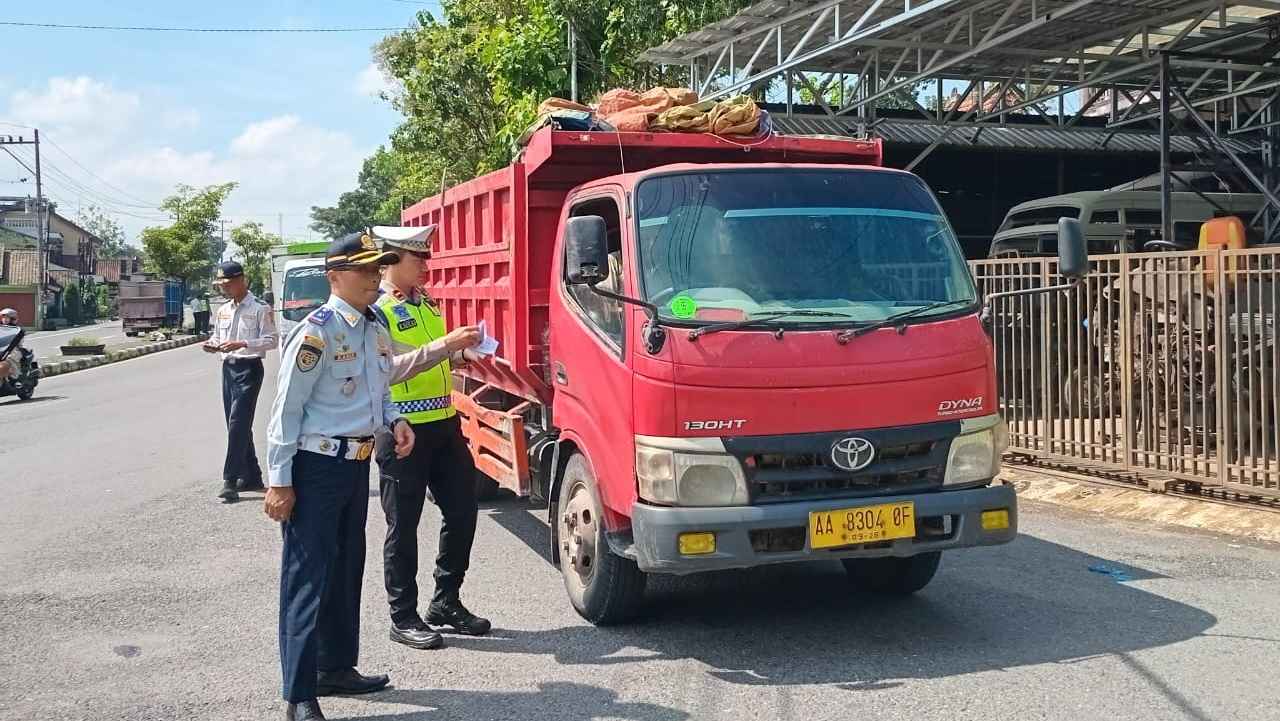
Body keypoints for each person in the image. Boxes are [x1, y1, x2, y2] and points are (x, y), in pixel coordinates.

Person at [265, 232, 415, 721]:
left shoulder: (373, 325)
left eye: (378, 269)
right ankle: (300, 693)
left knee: (347, 568)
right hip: (316, 468)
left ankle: (336, 667)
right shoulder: (317, 331)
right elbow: (286, 409)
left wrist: (395, 419)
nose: (375, 277)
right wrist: (279, 479)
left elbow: (380, 383)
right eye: (365, 270)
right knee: (307, 577)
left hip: (356, 465)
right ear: (334, 277)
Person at [368, 224, 491, 650]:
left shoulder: (427, 303)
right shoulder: (378, 311)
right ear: (392, 260)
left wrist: (465, 351)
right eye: (418, 258)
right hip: (402, 429)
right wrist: (445, 346)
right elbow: (393, 368)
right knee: (402, 525)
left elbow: (435, 355)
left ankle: (446, 600)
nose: (426, 266)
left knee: (462, 511)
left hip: (444, 422)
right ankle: (403, 616)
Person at [204, 261, 278, 503]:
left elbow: (271, 340)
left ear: (240, 280)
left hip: (249, 369)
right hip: (228, 368)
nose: (224, 289)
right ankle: (251, 476)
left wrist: (244, 343)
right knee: (235, 424)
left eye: (227, 284)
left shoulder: (259, 308)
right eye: (221, 285)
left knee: (238, 422)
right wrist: (212, 344)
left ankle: (230, 480)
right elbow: (218, 335)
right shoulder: (223, 309)